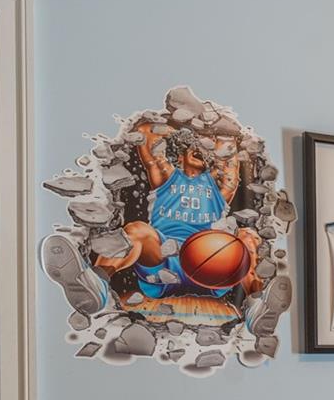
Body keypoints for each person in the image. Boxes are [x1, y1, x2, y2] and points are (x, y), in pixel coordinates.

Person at [95, 127, 260, 298]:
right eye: (193, 147)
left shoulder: (220, 187)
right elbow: (146, 131)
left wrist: (210, 137)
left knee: (247, 237)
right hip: (164, 264)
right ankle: (95, 286)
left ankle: (258, 302)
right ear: (180, 154)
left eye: (203, 148)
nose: (199, 151)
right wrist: (186, 131)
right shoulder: (166, 176)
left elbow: (230, 150)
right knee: (137, 230)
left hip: (212, 266)